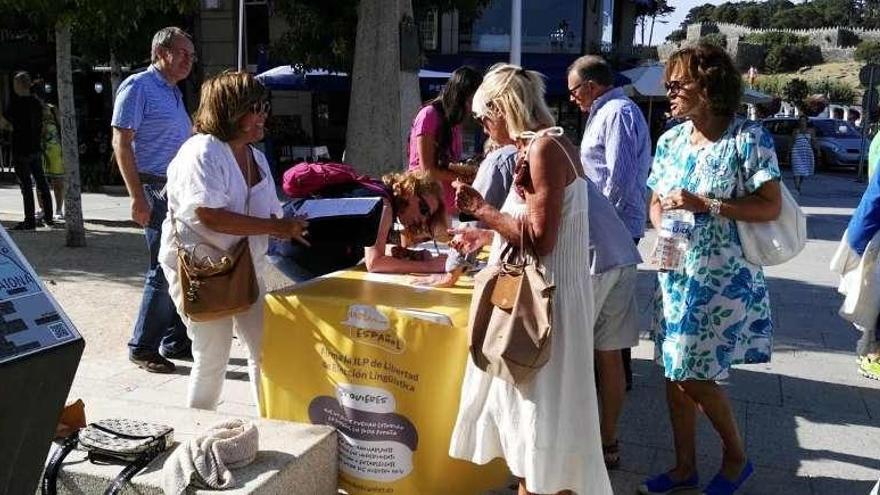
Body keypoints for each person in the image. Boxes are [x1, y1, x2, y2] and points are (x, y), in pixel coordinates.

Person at [448, 63, 612, 495]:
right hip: (548, 300)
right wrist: (487, 229)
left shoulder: (542, 149)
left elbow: (540, 240)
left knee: (541, 423)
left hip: (545, 305)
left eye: (485, 116)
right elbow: (534, 226)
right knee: (543, 428)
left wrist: (481, 209)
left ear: (503, 108)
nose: (483, 125)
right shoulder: (542, 147)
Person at [640, 43, 782, 495]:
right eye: (668, 85)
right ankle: (685, 467)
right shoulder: (670, 140)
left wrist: (707, 205)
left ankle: (736, 458)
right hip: (675, 269)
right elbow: (655, 202)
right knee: (672, 369)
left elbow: (769, 207)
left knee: (694, 371)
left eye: (678, 83)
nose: (670, 93)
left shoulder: (747, 138)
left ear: (709, 84)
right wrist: (664, 226)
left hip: (721, 278)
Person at [158, 71, 308, 411]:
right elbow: (209, 214)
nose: (263, 115)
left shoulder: (255, 156)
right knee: (213, 356)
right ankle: (196, 433)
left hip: (245, 268)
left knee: (266, 349)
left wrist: (295, 225)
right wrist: (278, 228)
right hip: (204, 271)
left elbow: (271, 215)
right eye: (254, 107)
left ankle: (269, 423)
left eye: (264, 106)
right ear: (229, 110)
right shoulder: (202, 151)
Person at [111, 27, 195, 373]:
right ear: (160, 53)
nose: (190, 61)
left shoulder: (173, 92)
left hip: (175, 189)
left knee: (181, 265)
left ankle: (175, 339)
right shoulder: (138, 87)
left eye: (192, 55)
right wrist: (136, 198)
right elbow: (122, 143)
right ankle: (143, 346)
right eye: (183, 53)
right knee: (162, 268)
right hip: (152, 188)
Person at [568, 55, 652, 390]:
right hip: (609, 228)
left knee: (609, 315)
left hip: (612, 228)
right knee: (610, 315)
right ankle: (614, 381)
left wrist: (604, 224)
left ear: (591, 86)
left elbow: (619, 176)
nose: (572, 98)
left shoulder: (617, 112)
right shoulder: (605, 111)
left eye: (574, 92)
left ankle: (615, 383)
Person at [268, 170, 449, 281]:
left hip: (288, 243)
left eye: (428, 217)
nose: (422, 219)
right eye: (424, 208)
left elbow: (370, 245)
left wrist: (413, 256)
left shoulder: (379, 190)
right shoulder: (384, 206)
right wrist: (430, 267)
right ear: (410, 190)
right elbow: (375, 263)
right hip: (295, 249)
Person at [425, 117, 518, 288]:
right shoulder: (557, 148)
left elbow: (472, 224)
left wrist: (451, 272)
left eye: (484, 121)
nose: (484, 130)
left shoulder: (499, 160)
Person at [408, 66, 483, 212]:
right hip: (426, 205)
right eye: (471, 100)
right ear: (460, 95)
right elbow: (427, 170)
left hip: (446, 207)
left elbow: (448, 162)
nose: (472, 106)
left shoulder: (453, 122)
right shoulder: (429, 115)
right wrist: (461, 176)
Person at [2, 71, 53, 230]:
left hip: (20, 147)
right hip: (35, 146)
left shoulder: (16, 104)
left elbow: (5, 123)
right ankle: (49, 216)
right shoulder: (37, 102)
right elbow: (45, 119)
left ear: (18, 85)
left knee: (26, 186)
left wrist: (11, 128)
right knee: (41, 182)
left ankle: (29, 220)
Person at [41, 102, 65, 220]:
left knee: (58, 182)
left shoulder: (52, 109)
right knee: (40, 183)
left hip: (56, 152)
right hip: (41, 152)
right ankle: (43, 209)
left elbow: (63, 129)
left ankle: (59, 209)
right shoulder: (36, 111)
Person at [790, 114, 817, 194]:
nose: (802, 122)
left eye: (804, 121)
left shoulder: (811, 131)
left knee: (803, 172)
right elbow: (791, 142)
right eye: (801, 121)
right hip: (796, 152)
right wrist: (788, 153)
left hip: (806, 152)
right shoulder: (795, 131)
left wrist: (817, 150)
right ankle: (797, 188)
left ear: (807, 122)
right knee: (796, 170)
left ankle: (799, 186)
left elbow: (814, 141)